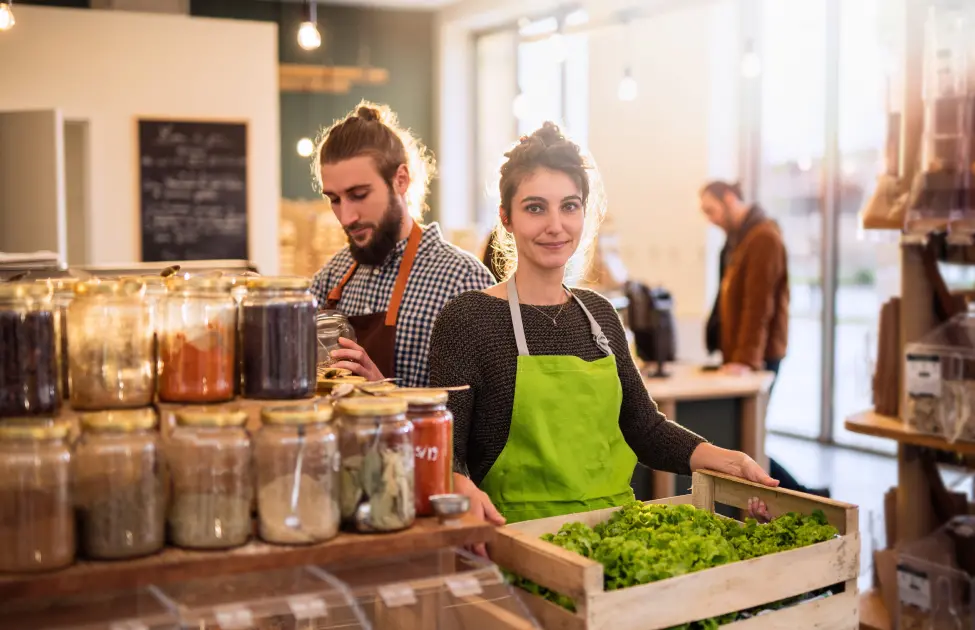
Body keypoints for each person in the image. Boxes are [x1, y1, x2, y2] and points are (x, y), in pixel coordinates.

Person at [429, 123, 778, 533]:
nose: (555, 225)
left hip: (614, 534)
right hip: (517, 541)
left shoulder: (599, 315)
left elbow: (643, 427)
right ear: (506, 218)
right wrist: (459, 484)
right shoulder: (467, 319)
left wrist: (723, 457)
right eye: (535, 207)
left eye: (570, 206)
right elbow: (444, 451)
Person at [310, 102, 495, 387]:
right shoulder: (331, 278)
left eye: (358, 194)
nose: (346, 217)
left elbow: (482, 415)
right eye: (334, 199)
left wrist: (383, 392)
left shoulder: (463, 281)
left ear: (401, 180)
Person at [700, 180, 830, 498]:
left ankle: (802, 496)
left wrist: (745, 360)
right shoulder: (740, 240)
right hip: (745, 355)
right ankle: (805, 493)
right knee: (747, 436)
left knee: (749, 436)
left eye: (711, 210)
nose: (710, 219)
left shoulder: (763, 238)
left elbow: (759, 305)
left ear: (730, 199)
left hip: (758, 357)